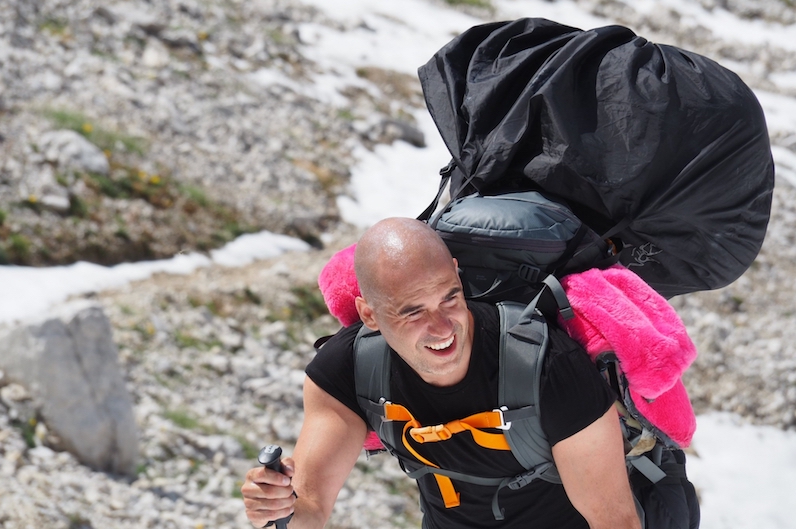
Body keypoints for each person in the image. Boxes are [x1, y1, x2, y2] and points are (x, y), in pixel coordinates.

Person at [241, 217, 642, 528]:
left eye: (449, 297)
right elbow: (309, 508)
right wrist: (276, 507)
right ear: (369, 315)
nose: (442, 327)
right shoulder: (348, 370)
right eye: (413, 311)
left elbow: (613, 521)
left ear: (456, 273)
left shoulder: (549, 367)